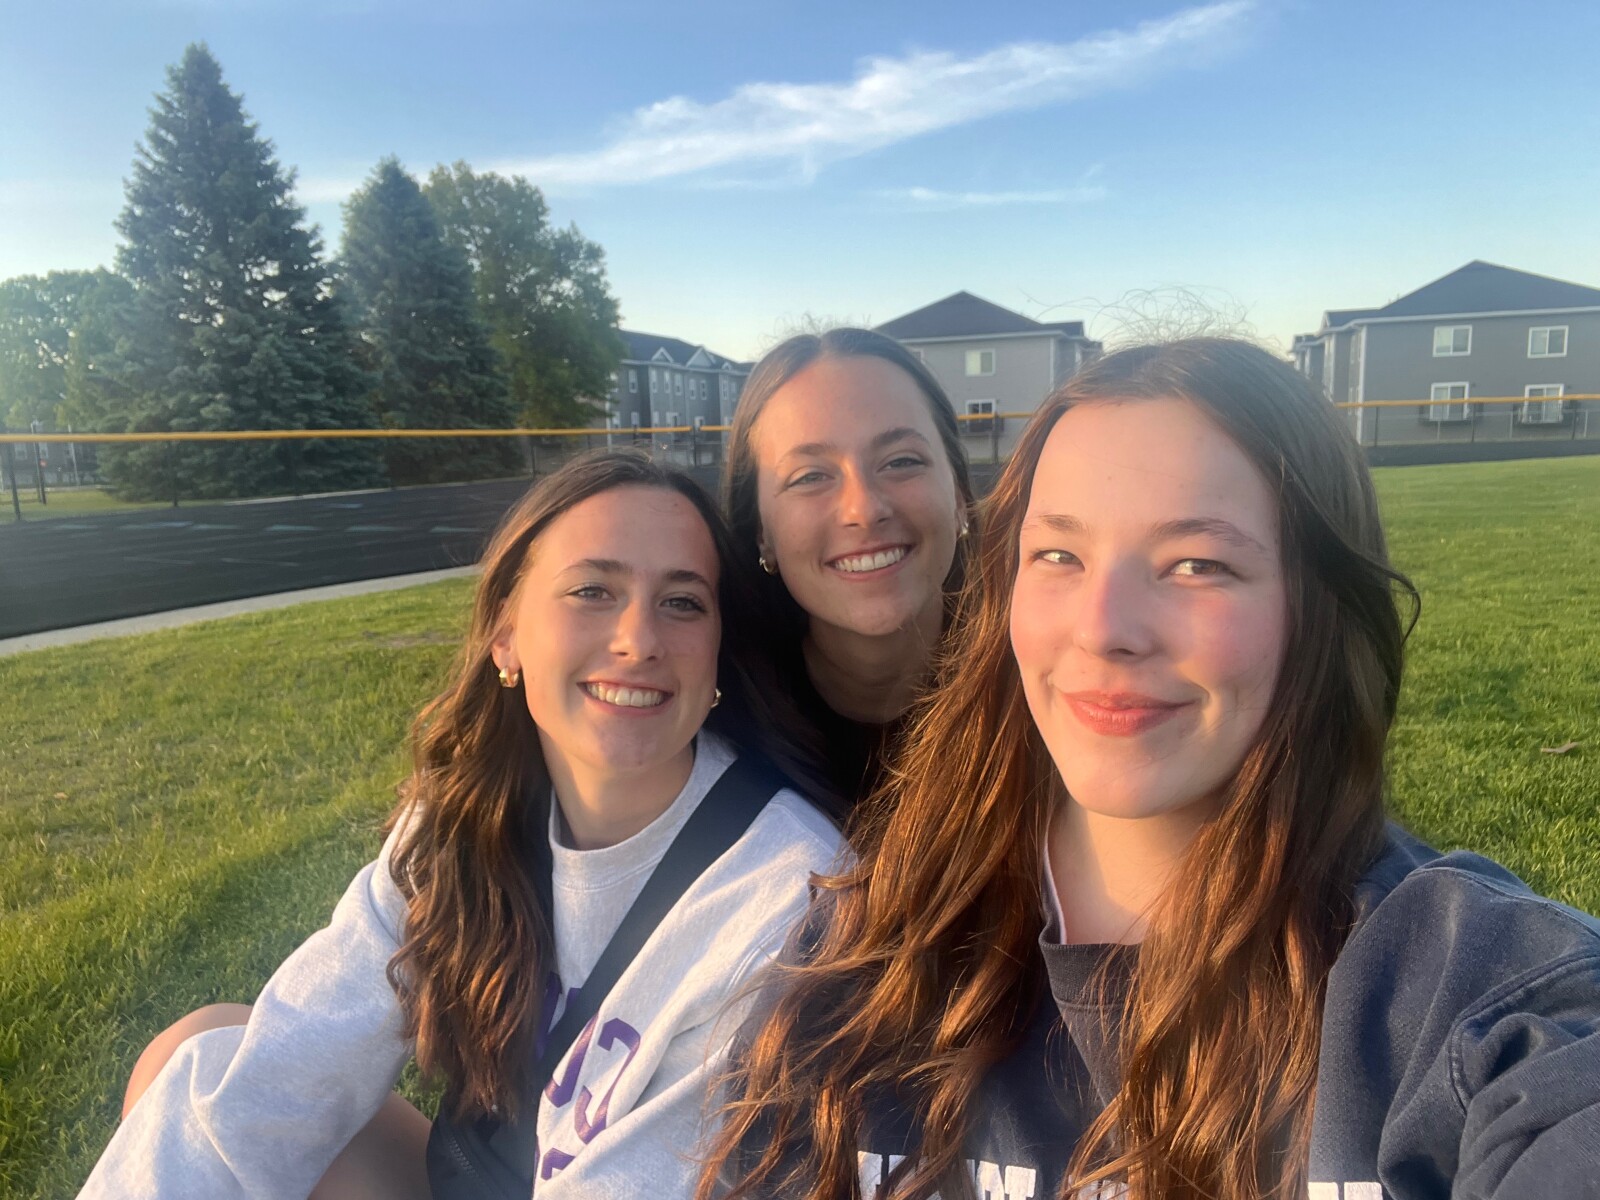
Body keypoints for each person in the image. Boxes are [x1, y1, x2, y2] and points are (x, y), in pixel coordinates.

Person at [701, 339, 1600, 1200]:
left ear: (1320, 607)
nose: (1104, 628)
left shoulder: (1467, 991)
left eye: (1196, 564)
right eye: (1059, 554)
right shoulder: (862, 946)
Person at [81, 450, 843, 1199]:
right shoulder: (465, 816)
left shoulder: (785, 892)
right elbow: (286, 1069)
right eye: (592, 590)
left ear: (716, 652)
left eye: (682, 603)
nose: (638, 640)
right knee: (196, 1060)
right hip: (490, 1174)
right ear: (506, 635)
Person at [722, 328, 975, 802]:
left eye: (900, 461)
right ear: (761, 533)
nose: (864, 509)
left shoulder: (1044, 695)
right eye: (809, 476)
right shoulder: (714, 723)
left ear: (959, 496)